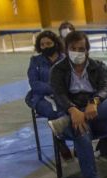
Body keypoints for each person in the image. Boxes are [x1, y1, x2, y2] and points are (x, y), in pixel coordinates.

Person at [48, 31, 107, 178]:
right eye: (73, 48)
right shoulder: (57, 70)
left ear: (87, 50)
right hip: (71, 111)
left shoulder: (99, 66)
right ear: (66, 49)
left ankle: (65, 123)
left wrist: (94, 101)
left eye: (81, 49)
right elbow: (59, 94)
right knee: (82, 133)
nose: (77, 52)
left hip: (97, 112)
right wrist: (72, 109)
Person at [25, 30, 72, 160]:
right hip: (41, 97)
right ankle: (60, 141)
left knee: (73, 108)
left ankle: (76, 140)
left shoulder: (66, 59)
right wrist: (54, 89)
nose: (45, 46)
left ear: (55, 43)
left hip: (64, 95)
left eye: (48, 43)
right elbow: (34, 83)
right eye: (42, 45)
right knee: (53, 111)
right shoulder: (35, 61)